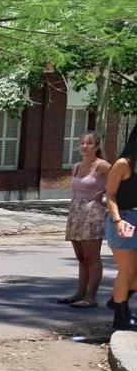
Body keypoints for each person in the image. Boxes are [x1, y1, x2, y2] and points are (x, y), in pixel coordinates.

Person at [58, 132, 110, 308]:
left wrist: (103, 193)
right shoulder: (77, 166)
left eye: (89, 143)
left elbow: (120, 180)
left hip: (92, 212)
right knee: (81, 257)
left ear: (96, 146)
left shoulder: (101, 165)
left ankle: (91, 296)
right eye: (82, 143)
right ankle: (80, 293)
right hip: (76, 211)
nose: (85, 146)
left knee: (92, 256)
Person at [105, 124, 137, 329]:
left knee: (133, 273)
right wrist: (117, 220)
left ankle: (117, 299)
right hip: (123, 219)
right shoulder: (123, 165)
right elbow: (110, 196)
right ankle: (121, 316)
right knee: (127, 270)